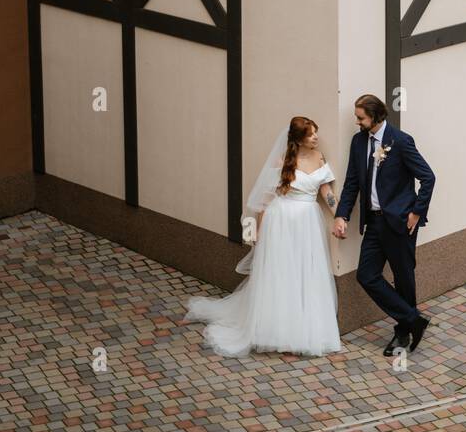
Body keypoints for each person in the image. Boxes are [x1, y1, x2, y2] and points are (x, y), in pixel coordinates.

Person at [184, 116, 342, 357]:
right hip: (281, 222)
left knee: (306, 271)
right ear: (298, 140)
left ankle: (307, 327)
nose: (316, 137)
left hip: (308, 221)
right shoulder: (282, 162)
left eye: (315, 133)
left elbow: (326, 192)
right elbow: (265, 201)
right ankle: (277, 330)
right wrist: (259, 231)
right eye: (310, 134)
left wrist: (339, 216)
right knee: (282, 274)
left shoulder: (319, 157)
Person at [332, 93, 436, 357]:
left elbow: (428, 177)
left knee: (403, 277)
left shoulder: (400, 141)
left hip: (400, 222)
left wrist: (416, 212)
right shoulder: (358, 143)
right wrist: (341, 215)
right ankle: (413, 319)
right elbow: (352, 182)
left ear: (376, 117)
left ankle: (403, 332)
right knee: (366, 275)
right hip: (374, 222)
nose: (357, 122)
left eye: (360, 117)